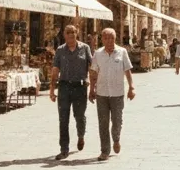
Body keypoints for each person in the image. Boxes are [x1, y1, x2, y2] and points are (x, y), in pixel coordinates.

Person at [89, 28, 134, 161]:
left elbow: (127, 70)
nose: (109, 40)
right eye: (106, 38)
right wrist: (91, 90)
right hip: (101, 93)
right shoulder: (97, 54)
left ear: (115, 39)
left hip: (117, 93)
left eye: (112, 38)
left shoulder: (122, 52)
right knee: (103, 123)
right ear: (102, 39)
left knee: (117, 121)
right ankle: (105, 151)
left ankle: (116, 138)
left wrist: (131, 87)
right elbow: (93, 73)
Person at [50, 25, 93, 160]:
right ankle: (64, 149)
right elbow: (55, 70)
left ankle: (81, 135)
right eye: (68, 32)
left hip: (80, 87)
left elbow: (91, 67)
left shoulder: (85, 48)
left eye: (73, 32)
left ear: (77, 33)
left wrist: (92, 85)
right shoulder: (60, 50)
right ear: (64, 34)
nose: (71, 35)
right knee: (63, 119)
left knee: (79, 116)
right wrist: (52, 89)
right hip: (64, 87)